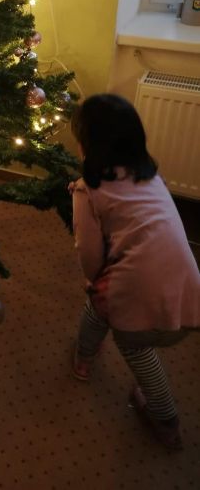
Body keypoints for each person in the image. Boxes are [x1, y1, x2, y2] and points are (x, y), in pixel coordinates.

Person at [69, 93, 200, 451]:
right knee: (102, 304)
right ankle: (85, 354)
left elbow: (88, 252)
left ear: (85, 146)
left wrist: (93, 279)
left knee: (133, 345)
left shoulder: (88, 190)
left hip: (139, 302)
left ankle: (165, 420)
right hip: (187, 297)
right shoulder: (152, 178)